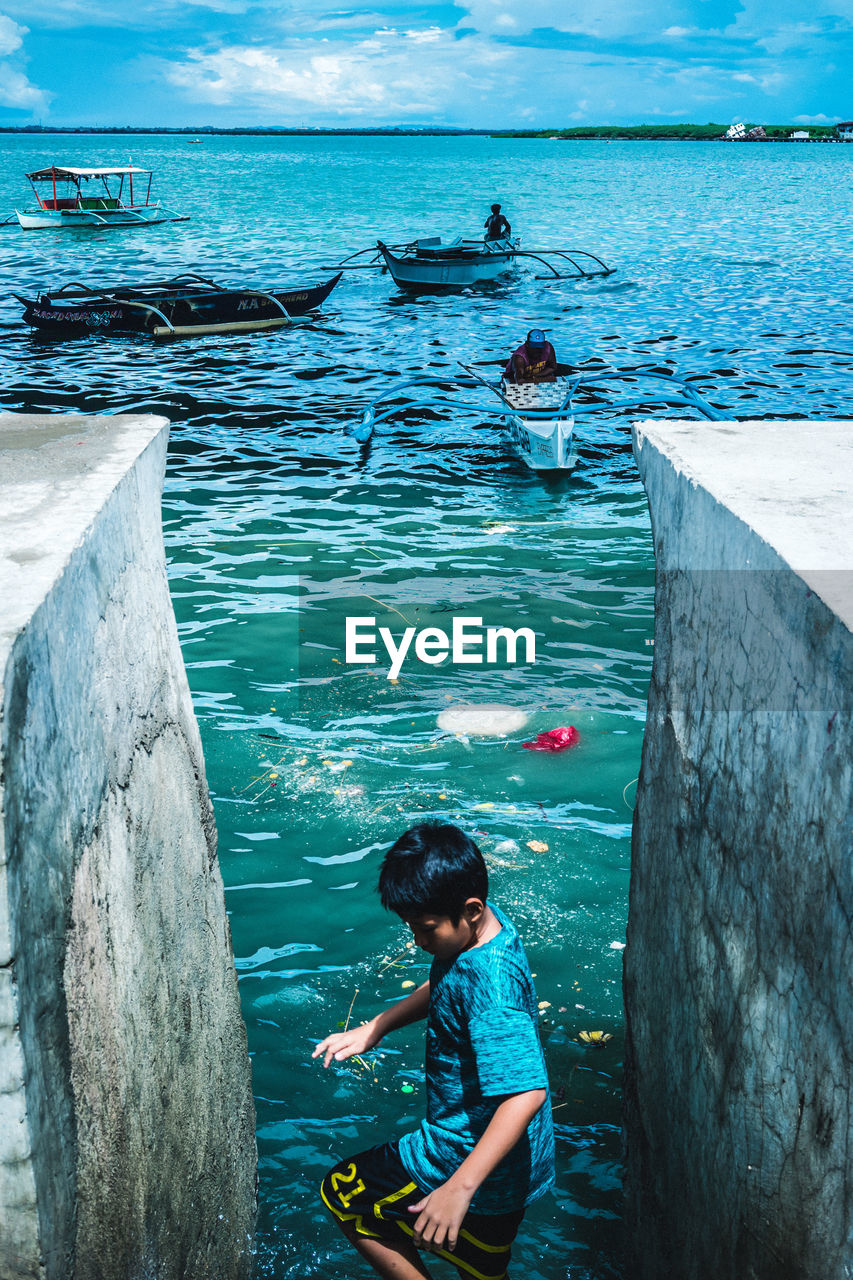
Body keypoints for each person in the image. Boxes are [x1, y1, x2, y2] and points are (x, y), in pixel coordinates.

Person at [314, 822, 554, 1280]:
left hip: (464, 1158)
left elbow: (527, 1093)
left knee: (343, 1196)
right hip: (513, 1167)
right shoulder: (485, 929)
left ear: (470, 909)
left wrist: (458, 1189)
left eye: (424, 929)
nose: (417, 941)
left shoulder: (491, 985)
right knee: (479, 1265)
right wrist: (376, 1027)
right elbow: (450, 980)